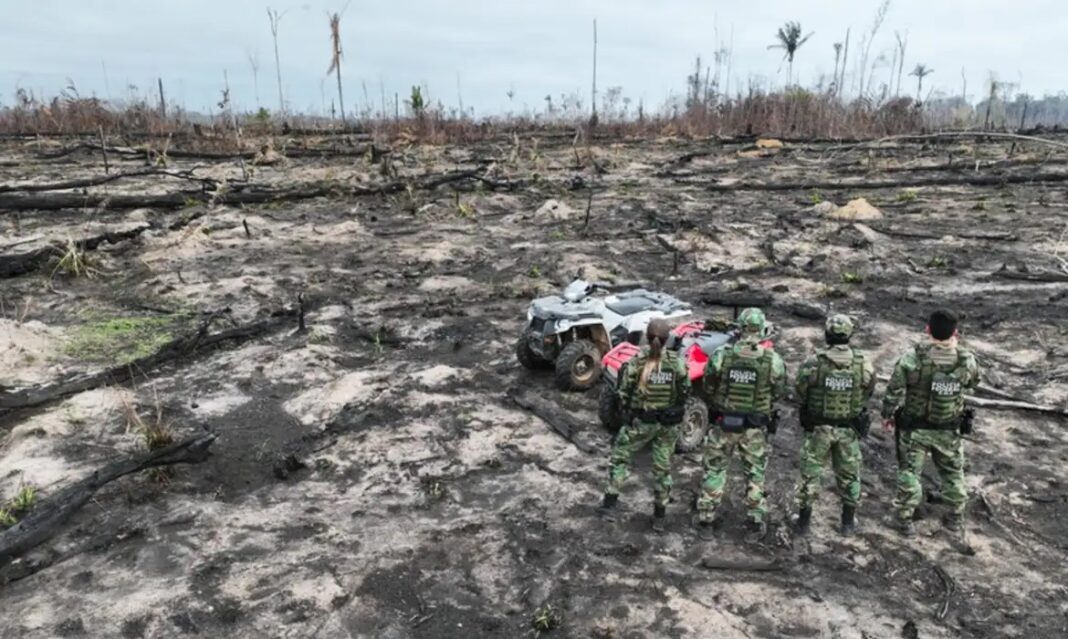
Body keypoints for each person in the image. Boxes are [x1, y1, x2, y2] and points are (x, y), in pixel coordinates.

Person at [881, 310, 981, 536]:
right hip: (948, 428)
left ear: (927, 330)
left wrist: (887, 414)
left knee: (909, 472)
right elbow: (974, 381)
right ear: (955, 333)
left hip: (914, 429)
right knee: (953, 472)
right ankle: (955, 517)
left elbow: (895, 388)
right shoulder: (966, 360)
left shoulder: (913, 358)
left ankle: (904, 519)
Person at [695, 308, 787, 540]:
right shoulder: (772, 359)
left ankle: (706, 519)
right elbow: (779, 390)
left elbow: (708, 383)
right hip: (754, 427)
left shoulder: (722, 354)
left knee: (715, 469)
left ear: (741, 327)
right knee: (755, 474)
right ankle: (755, 522)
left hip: (724, 423)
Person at [599, 318, 691, 533]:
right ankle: (659, 517)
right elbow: (685, 391)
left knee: (620, 458)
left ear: (647, 338)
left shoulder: (637, 362)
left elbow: (622, 392)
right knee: (662, 468)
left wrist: (631, 410)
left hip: (641, 422)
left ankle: (609, 505)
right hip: (667, 425)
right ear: (668, 339)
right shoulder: (676, 362)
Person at [793, 314, 875, 536]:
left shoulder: (813, 362)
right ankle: (847, 523)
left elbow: (800, 391)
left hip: (818, 428)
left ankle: (803, 523)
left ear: (827, 335)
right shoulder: (862, 363)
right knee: (849, 475)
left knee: (810, 474)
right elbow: (868, 391)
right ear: (849, 335)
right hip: (848, 430)